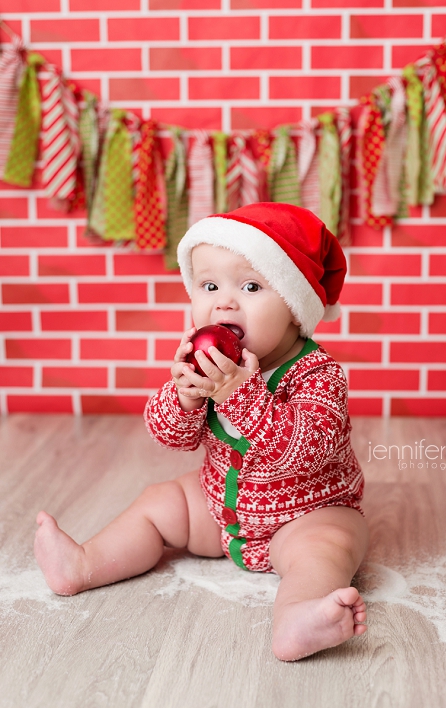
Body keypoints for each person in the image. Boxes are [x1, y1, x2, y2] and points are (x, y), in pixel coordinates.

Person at [34, 203, 369, 662]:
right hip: (220, 508)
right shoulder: (208, 362)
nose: (224, 302)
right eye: (209, 285)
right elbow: (167, 435)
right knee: (159, 501)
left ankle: (297, 616)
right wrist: (185, 397)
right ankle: (85, 564)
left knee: (329, 546)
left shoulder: (317, 374)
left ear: (294, 307)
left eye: (251, 286)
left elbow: (304, 450)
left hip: (305, 513)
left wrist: (241, 394)